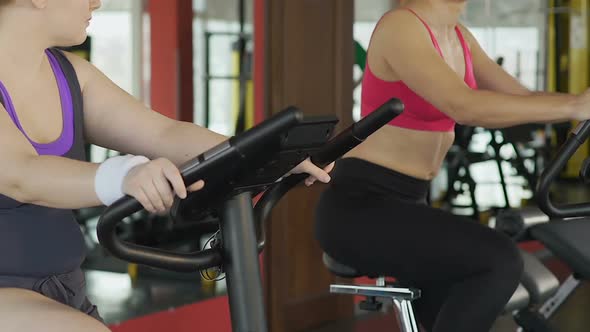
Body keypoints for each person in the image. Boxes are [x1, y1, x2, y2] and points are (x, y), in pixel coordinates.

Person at [0, 1, 333, 331]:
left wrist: (268, 153)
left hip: (64, 287)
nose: (96, 2)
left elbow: (163, 133)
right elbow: (21, 174)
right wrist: (124, 175)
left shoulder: (71, 74)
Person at [315, 1, 590, 331]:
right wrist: (575, 104)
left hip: (411, 203)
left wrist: (579, 106)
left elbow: (523, 99)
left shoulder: (460, 36)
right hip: (361, 208)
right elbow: (463, 106)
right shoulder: (400, 27)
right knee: (498, 260)